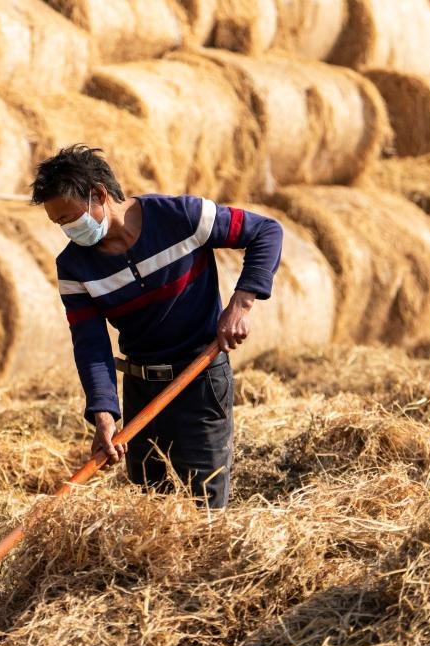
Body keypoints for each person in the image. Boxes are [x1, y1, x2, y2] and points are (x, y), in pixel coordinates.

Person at [32, 145, 283, 509]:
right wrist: (104, 415)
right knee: (148, 508)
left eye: (71, 218)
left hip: (200, 379)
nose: (69, 230)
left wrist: (241, 303)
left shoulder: (181, 216)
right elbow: (90, 344)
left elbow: (265, 232)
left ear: (99, 195)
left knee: (203, 504)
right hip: (141, 389)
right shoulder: (74, 268)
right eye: (59, 224)